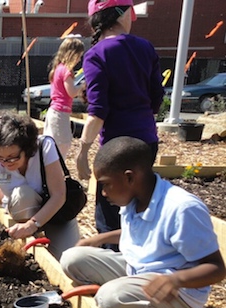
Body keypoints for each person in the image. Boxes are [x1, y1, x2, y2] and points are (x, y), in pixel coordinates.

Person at [60, 136, 225, 308]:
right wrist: (101, 238)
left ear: (129, 177)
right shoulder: (135, 198)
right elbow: (139, 233)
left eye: (105, 184)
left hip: (178, 292)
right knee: (71, 259)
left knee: (108, 299)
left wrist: (175, 280)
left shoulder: (181, 209)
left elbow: (217, 269)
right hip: (138, 271)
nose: (103, 193)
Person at [76, 0, 164, 242]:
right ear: (123, 14)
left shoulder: (96, 54)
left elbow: (99, 111)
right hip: (146, 141)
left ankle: (114, 267)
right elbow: (156, 96)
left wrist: (83, 151)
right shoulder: (145, 47)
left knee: (110, 212)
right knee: (140, 203)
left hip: (117, 147)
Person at [0, 111, 80, 259]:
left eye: (12, 158)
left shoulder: (44, 148)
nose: (6, 163)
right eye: (1, 158)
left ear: (27, 149)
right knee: (22, 195)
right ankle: (30, 236)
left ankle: (38, 232)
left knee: (67, 258)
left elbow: (59, 195)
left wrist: (32, 224)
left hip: (55, 212)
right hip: (24, 211)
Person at [43, 37, 85, 158]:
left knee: (52, 144)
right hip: (60, 113)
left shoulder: (58, 68)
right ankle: (57, 172)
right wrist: (83, 86)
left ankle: (50, 170)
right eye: (79, 56)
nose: (79, 59)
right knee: (63, 144)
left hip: (55, 112)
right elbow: (71, 92)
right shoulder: (66, 71)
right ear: (72, 54)